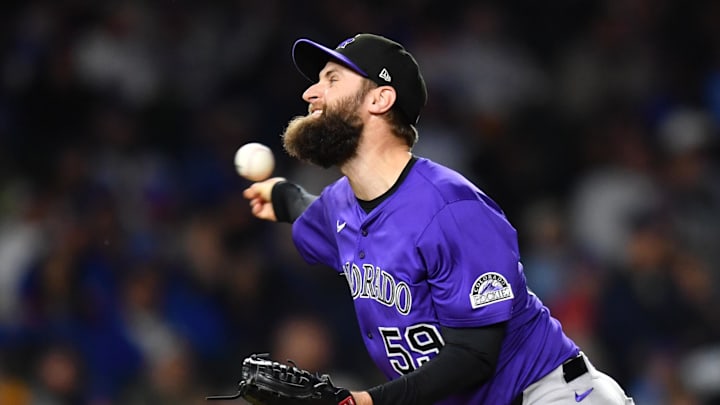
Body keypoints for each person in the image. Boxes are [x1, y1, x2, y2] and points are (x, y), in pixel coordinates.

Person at [243, 33, 634, 405]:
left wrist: (366, 401)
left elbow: (475, 354)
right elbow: (313, 213)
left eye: (332, 79)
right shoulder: (341, 204)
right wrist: (281, 196)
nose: (311, 93)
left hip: (547, 393)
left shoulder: (451, 208)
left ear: (380, 99)